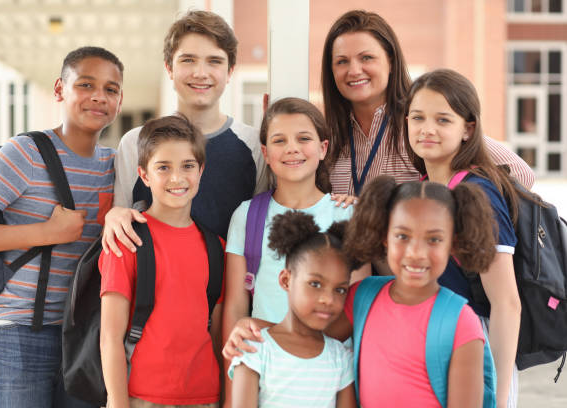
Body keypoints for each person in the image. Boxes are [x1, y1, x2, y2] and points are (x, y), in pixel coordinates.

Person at [223, 176, 497, 408]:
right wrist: (254, 327)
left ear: (454, 242)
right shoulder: (364, 296)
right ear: (383, 236)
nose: (416, 252)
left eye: (434, 239)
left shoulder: (461, 321)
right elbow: (307, 337)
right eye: (402, 236)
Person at [0, 46, 123, 407]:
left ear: (120, 101)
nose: (99, 96)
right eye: (86, 84)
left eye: (111, 89)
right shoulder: (25, 154)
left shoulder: (116, 166)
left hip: (81, 335)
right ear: (60, 90)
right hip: (18, 332)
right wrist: (46, 233)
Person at [403, 68, 524, 408]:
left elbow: (506, 303)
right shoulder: (421, 189)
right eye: (418, 118)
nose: (427, 129)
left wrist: (498, 396)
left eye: (443, 120)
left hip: (475, 347)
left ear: (468, 129)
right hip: (429, 346)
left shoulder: (478, 193)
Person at [221, 97, 354, 406]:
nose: (292, 148)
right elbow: (235, 306)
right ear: (266, 153)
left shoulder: (347, 214)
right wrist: (230, 391)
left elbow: (352, 306)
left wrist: (283, 335)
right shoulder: (247, 215)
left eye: (303, 138)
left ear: (322, 148)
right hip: (261, 372)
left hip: (325, 373)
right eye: (280, 140)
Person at [103, 10, 268, 256]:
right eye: (188, 60)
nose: (200, 73)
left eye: (214, 61)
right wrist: (114, 216)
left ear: (230, 71)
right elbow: (121, 219)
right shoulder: (136, 143)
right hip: (153, 289)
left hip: (230, 291)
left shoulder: (254, 144)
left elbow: (259, 231)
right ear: (169, 68)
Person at [320, 10, 535, 195]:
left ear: (391, 62)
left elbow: (520, 174)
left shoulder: (422, 123)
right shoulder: (327, 135)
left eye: (366, 58)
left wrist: (451, 207)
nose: (354, 70)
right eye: (342, 61)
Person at [99, 115, 223, 408]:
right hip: (141, 396)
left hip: (206, 396)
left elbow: (218, 336)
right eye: (163, 168)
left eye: (188, 166)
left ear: (201, 171)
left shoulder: (217, 248)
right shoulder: (127, 240)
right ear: (144, 175)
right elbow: (110, 337)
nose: (177, 178)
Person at [229, 211, 355, 407]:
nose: (328, 299)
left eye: (340, 289)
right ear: (286, 280)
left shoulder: (341, 359)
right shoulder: (255, 349)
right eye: (315, 284)